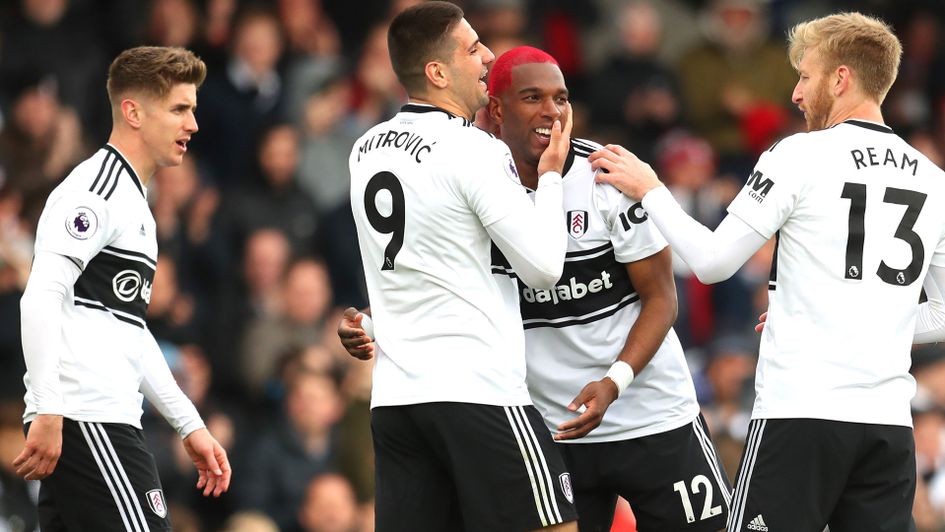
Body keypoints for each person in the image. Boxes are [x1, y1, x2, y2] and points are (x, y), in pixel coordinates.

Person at [343, 46, 731, 531]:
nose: (552, 111)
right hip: (554, 429)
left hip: (650, 414)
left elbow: (661, 298)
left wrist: (616, 382)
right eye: (533, 97)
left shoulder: (606, 177)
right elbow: (444, 283)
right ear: (497, 108)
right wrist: (371, 321)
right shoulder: (474, 176)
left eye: (561, 98)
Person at [589, 12, 945, 532]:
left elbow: (710, 264)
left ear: (840, 78)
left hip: (799, 414)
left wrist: (650, 189)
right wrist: (853, 324)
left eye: (804, 76)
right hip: (888, 426)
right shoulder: (935, 180)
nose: (796, 94)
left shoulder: (799, 154)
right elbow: (941, 312)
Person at [346, 3, 577, 531]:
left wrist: (369, 322)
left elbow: (426, 266)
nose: (488, 56)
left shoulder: (363, 150)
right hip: (478, 391)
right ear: (437, 72)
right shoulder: (471, 148)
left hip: (397, 401)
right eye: (473, 48)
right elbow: (543, 267)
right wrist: (551, 176)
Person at [13, 46, 231, 531]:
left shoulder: (134, 200)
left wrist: (188, 423)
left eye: (192, 109)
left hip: (91, 418)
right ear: (132, 112)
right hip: (89, 419)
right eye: (179, 109)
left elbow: (127, 331)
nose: (193, 124)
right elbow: (41, 296)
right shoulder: (96, 190)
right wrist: (49, 407)